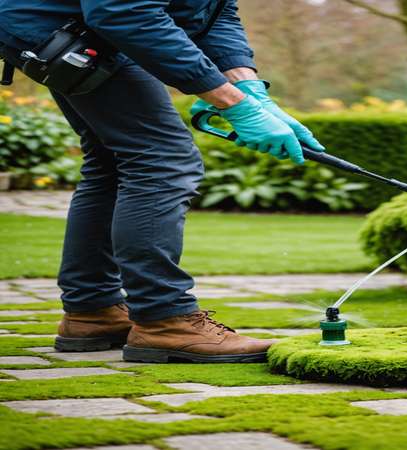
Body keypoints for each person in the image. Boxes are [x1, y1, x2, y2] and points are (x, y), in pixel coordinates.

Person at [0, 0, 324, 363]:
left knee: (111, 160)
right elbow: (122, 11)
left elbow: (214, 12)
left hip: (81, 26)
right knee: (163, 158)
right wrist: (232, 103)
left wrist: (250, 90)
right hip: (67, 26)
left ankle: (93, 311)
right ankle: (165, 319)